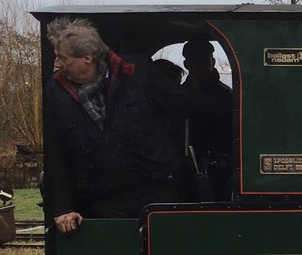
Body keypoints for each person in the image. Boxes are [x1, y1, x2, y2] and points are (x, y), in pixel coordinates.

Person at [44, 17, 183, 234]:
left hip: (156, 193)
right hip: (101, 201)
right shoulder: (55, 89)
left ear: (87, 59)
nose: (57, 63)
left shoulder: (137, 72)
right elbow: (55, 152)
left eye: (63, 57)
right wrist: (63, 207)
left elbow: (181, 107)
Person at [181, 38, 234, 199]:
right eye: (195, 60)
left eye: (205, 60)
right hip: (185, 165)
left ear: (213, 61)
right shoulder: (178, 95)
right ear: (187, 64)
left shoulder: (227, 96)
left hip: (219, 165)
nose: (201, 66)